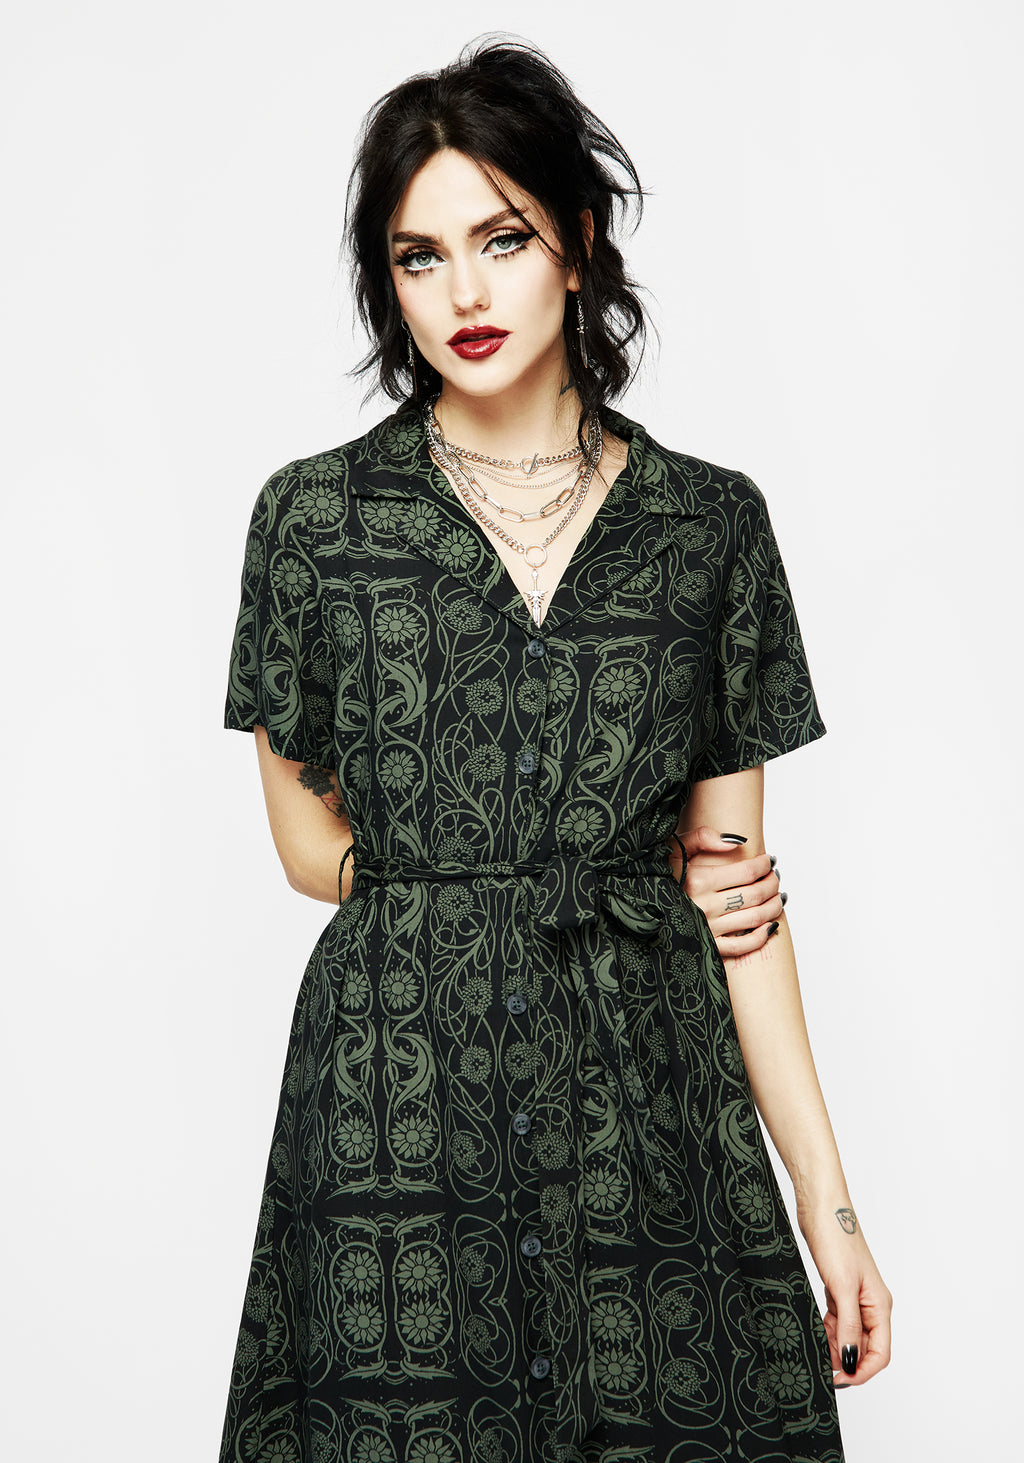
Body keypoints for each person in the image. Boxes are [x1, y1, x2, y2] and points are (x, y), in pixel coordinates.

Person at [218, 37, 891, 1463]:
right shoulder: (315, 523)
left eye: (502, 238)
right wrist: (486, 887)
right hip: (397, 1101)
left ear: (577, 246)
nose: (463, 294)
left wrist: (831, 1213)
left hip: (645, 1094)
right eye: (419, 257)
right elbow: (305, 848)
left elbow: (738, 900)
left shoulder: (709, 527)